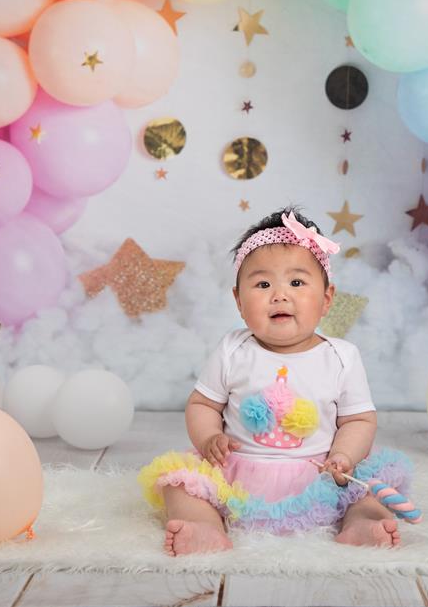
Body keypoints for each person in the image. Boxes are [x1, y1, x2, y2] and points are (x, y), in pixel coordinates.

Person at [138, 208, 413, 556]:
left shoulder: (341, 356)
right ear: (239, 300)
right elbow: (203, 404)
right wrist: (209, 437)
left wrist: (344, 456)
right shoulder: (232, 350)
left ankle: (361, 523)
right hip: (237, 479)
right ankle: (204, 525)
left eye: (297, 283)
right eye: (263, 284)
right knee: (179, 484)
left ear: (326, 299)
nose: (280, 295)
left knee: (369, 488)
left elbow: (358, 419)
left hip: (322, 477)